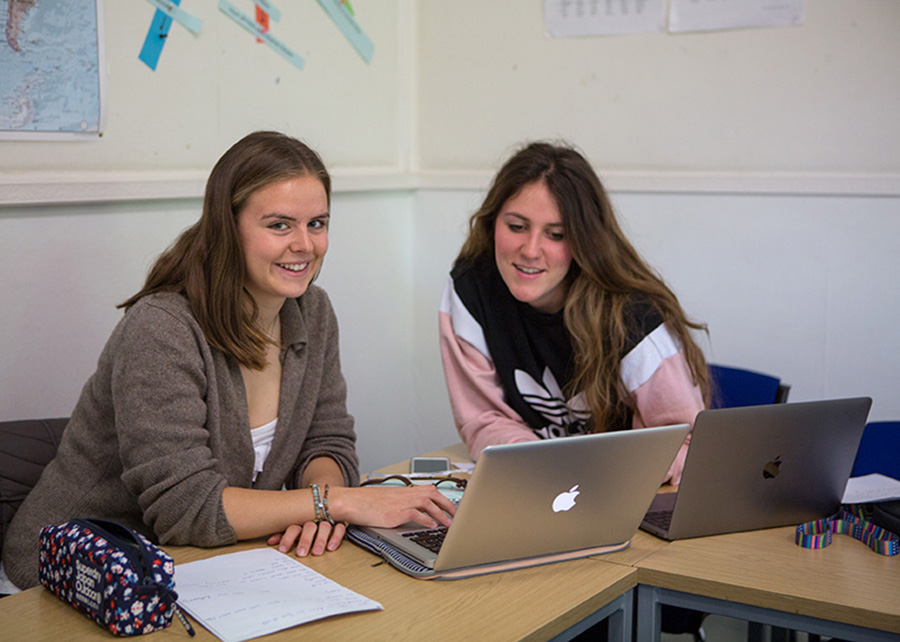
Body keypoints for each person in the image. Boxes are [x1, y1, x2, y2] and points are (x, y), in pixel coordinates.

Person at [3, 131, 455, 590]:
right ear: (228, 226)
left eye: (317, 223)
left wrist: (321, 501)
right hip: (73, 578)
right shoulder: (162, 328)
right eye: (280, 225)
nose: (305, 244)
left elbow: (328, 439)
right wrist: (332, 504)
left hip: (196, 568)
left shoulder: (312, 312)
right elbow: (186, 509)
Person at [439, 141, 710, 484]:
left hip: (626, 494)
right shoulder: (469, 289)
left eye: (556, 235)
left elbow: (683, 443)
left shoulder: (632, 317)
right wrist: (540, 463)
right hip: (535, 483)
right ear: (493, 223)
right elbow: (484, 418)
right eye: (516, 227)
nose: (531, 250)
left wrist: (594, 472)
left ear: (584, 241)